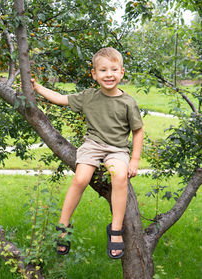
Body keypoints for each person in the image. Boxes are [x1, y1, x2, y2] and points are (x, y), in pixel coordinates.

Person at [31, 47, 144, 259]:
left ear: (122, 72)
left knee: (119, 176)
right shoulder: (88, 97)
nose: (108, 74)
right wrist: (37, 88)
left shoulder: (128, 102)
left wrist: (135, 160)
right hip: (93, 145)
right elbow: (60, 98)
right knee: (81, 178)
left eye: (113, 69)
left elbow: (138, 131)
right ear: (94, 74)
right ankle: (63, 226)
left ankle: (116, 230)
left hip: (117, 149)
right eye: (102, 70)